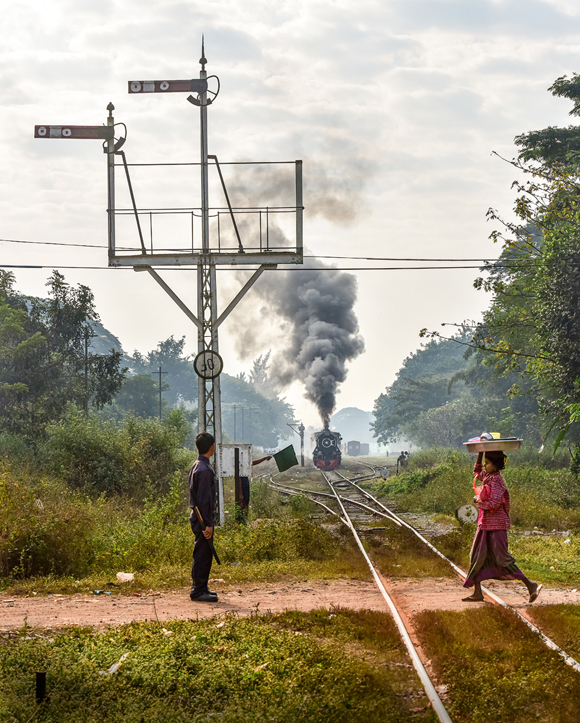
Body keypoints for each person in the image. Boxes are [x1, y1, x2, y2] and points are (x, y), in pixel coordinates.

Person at [463, 450, 542, 603]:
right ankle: (477, 592)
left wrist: (477, 500)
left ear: (495, 465)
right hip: (485, 524)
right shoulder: (487, 476)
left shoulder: (497, 481)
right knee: (476, 556)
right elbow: (476, 471)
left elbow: (493, 503)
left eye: (487, 463)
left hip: (497, 525)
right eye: (485, 463)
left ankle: (530, 584)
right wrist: (480, 452)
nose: (484, 466)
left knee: (502, 558)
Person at [188, 432, 218, 603]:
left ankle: (201, 587)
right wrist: (208, 524)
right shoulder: (205, 470)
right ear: (211, 447)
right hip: (202, 519)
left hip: (197, 517)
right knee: (202, 554)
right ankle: (198, 590)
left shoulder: (196, 465)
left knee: (201, 552)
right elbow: (205, 501)